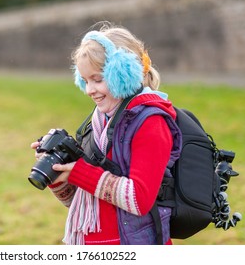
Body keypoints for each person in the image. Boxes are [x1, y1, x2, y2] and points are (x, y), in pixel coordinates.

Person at [30, 22, 182, 245]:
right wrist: (59, 174)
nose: (90, 90)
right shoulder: (98, 122)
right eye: (85, 80)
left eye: (98, 80)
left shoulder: (151, 123)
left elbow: (139, 199)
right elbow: (82, 201)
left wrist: (79, 172)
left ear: (123, 73)